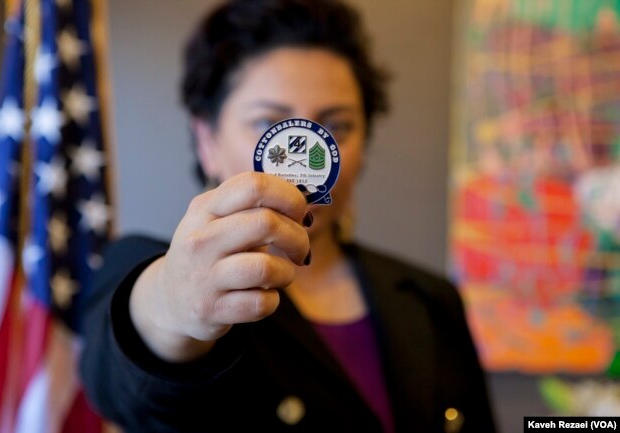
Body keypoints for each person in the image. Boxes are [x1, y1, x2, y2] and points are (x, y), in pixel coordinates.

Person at [79, 0, 498, 432]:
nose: (305, 156)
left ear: (362, 147)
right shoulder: (145, 267)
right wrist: (170, 305)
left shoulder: (432, 300)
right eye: (269, 122)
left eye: (337, 125)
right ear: (207, 141)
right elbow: (121, 380)